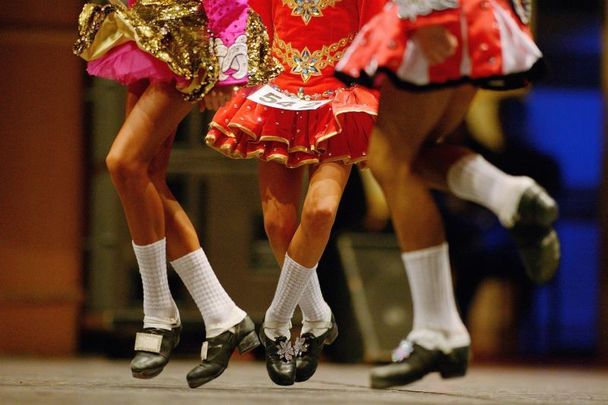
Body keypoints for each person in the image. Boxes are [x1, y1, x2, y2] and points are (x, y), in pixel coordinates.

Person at [335, 0, 560, 388]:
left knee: (390, 160)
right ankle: (510, 196)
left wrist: (420, 10)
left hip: (436, 13)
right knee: (413, 155)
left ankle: (437, 331)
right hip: (470, 15)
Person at [73, 0, 279, 388]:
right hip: (146, 30)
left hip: (193, 39)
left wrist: (225, 63)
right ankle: (224, 317)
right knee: (146, 174)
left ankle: (158, 312)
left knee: (123, 163)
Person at [205, 0, 385, 385]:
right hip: (277, 95)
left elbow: (380, 32)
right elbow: (249, 22)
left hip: (338, 99)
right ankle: (318, 317)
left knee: (320, 212)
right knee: (278, 224)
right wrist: (226, 76)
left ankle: (276, 324)